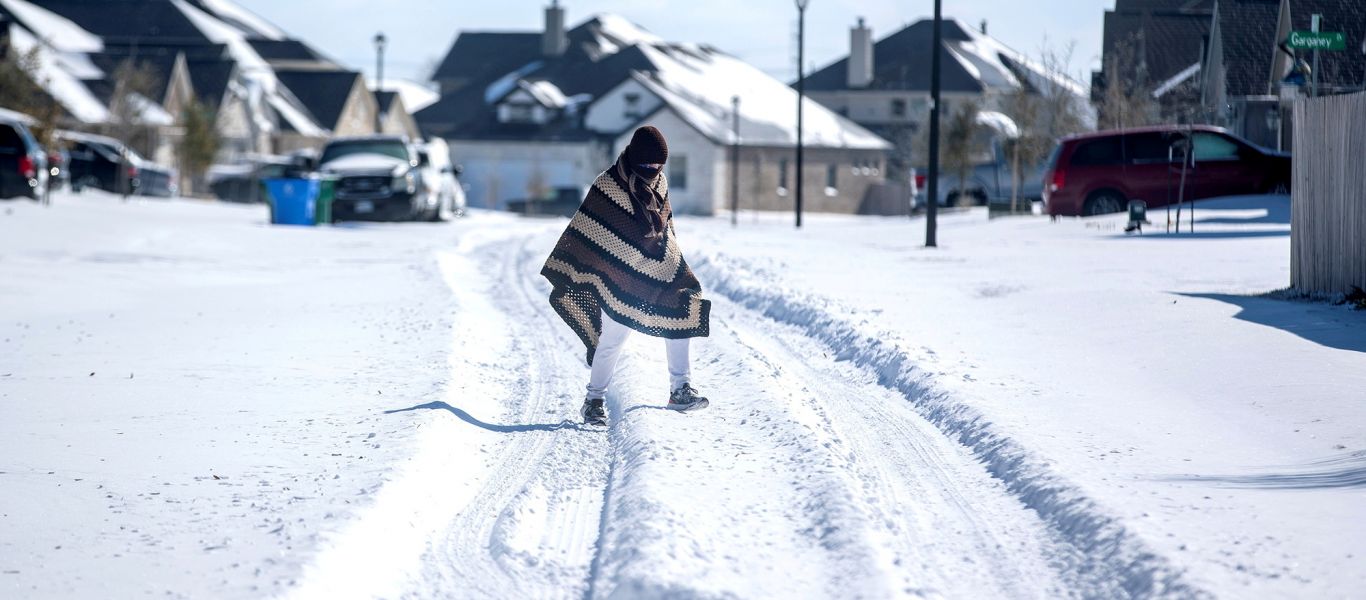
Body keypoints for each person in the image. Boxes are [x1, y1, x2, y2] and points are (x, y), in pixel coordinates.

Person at [540, 126, 711, 426]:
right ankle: (593, 401)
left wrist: (669, 257)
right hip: (618, 275)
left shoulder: (660, 181)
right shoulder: (608, 184)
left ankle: (680, 389)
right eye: (648, 165)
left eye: (659, 166)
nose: (654, 170)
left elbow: (666, 226)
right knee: (612, 340)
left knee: (683, 309)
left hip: (658, 269)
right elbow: (589, 229)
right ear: (635, 159)